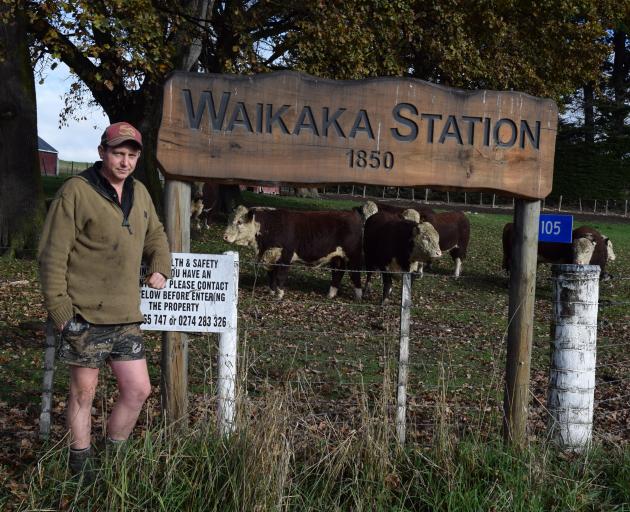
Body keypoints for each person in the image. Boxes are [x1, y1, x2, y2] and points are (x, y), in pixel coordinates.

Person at [38, 121, 171, 477]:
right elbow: (52, 255)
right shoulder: (75, 192)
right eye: (118, 153)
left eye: (131, 155)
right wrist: (61, 311)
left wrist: (160, 265)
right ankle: (80, 467)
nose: (124, 162)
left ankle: (113, 460)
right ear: (102, 153)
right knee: (84, 393)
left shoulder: (140, 192)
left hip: (126, 315)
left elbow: (156, 235)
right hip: (84, 315)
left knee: (138, 389)